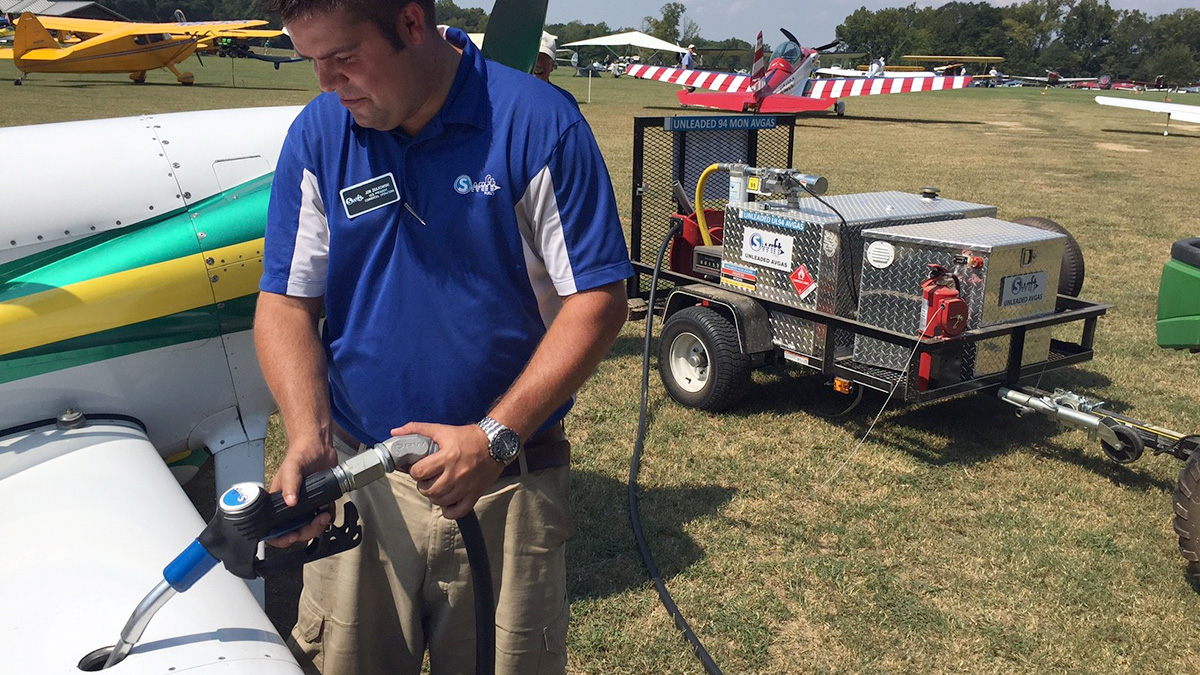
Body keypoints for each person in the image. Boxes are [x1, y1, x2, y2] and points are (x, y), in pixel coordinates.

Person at [253, 1, 632, 673]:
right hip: (362, 481)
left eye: (342, 58)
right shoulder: (319, 134)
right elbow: (285, 302)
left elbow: (598, 301)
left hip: (505, 487)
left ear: (410, 24)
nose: (327, 83)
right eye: (311, 61)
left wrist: (494, 436)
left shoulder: (537, 124)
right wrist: (308, 435)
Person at [533, 30, 577, 106]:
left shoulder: (566, 100)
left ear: (552, 65)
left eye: (544, 59)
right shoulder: (513, 97)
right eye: (535, 57)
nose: (539, 64)